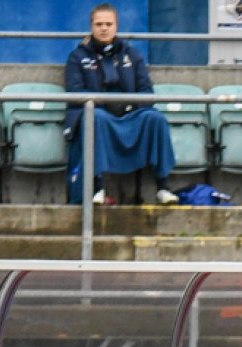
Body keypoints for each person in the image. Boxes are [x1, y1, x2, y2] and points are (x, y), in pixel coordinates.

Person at [64, 3, 177, 206]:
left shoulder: (132, 55)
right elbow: (75, 93)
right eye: (99, 24)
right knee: (95, 117)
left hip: (130, 114)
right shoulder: (77, 57)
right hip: (99, 114)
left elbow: (146, 92)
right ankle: (97, 188)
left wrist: (128, 105)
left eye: (109, 23)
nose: (104, 28)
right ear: (91, 26)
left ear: (116, 26)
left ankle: (163, 187)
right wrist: (105, 100)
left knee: (155, 118)